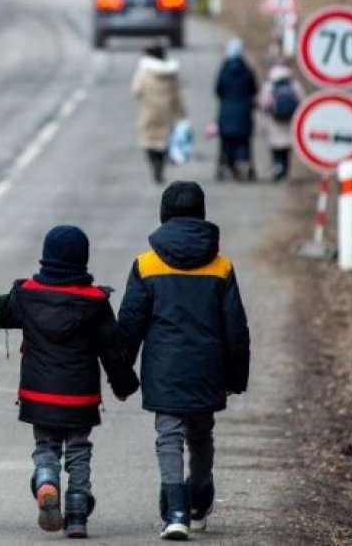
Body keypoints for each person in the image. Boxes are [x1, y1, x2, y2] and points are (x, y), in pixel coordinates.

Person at [116, 181, 250, 540]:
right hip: (208, 367)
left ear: (164, 215)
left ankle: (175, 510)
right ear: (202, 215)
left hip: (164, 367)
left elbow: (130, 324)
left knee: (169, 435)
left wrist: (121, 373)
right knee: (201, 433)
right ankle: (200, 496)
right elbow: (236, 327)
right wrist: (237, 377)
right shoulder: (221, 267)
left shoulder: (146, 264)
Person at [0, 225, 140, 539]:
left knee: (45, 446)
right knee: (78, 450)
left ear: (46, 257)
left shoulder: (27, 294)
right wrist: (124, 385)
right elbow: (112, 352)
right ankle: (77, 514)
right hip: (80, 397)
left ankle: (47, 480)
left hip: (39, 395)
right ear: (83, 260)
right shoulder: (95, 302)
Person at [131, 45, 185, 184]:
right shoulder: (171, 73)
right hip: (167, 113)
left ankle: (154, 164)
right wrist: (181, 114)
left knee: (149, 141)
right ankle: (160, 166)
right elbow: (176, 95)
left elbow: (136, 91)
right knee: (164, 142)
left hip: (149, 112)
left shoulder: (144, 72)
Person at [215, 38, 258, 181]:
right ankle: (244, 164)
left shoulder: (224, 69)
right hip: (244, 112)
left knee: (227, 142)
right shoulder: (247, 70)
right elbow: (254, 89)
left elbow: (218, 90)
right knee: (243, 141)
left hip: (226, 112)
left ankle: (229, 165)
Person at [258, 61, 304, 181]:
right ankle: (285, 170)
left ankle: (277, 168)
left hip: (273, 122)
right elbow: (302, 101)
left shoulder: (269, 85)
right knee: (286, 148)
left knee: (276, 148)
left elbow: (263, 103)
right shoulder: (294, 84)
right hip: (290, 121)